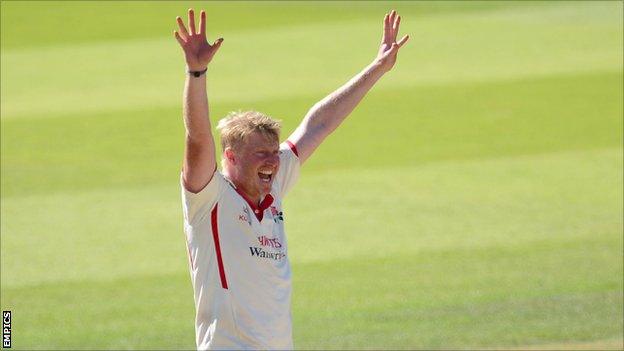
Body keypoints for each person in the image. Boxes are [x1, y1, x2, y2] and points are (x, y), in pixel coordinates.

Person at [175, 8, 409, 350]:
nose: (274, 161)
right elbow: (197, 139)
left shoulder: (274, 183)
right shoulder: (209, 198)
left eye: (275, 151)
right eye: (261, 154)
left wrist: (377, 68)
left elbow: (319, 124)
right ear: (230, 157)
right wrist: (196, 73)